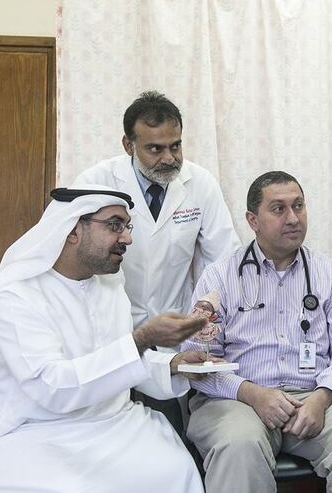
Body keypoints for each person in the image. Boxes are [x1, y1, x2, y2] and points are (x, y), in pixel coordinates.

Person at [0, 186, 213, 492]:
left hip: (116, 426)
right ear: (73, 229)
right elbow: (53, 388)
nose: (127, 238)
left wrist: (172, 363)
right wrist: (142, 339)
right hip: (33, 435)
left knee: (174, 470)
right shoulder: (12, 297)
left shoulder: (110, 287)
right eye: (114, 225)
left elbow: (115, 364)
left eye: (127, 227)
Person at [182, 171, 332, 493]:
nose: (293, 218)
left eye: (299, 206)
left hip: (314, 395)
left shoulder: (330, 276)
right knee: (238, 443)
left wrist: (321, 399)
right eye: (279, 209)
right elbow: (198, 360)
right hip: (236, 400)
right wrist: (253, 394)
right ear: (252, 220)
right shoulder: (220, 277)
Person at [74, 90, 240, 430]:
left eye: (175, 146)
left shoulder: (200, 183)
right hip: (110, 331)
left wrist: (207, 313)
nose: (169, 158)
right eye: (155, 148)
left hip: (174, 335)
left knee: (172, 433)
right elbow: (54, 251)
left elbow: (223, 262)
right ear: (128, 145)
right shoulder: (95, 182)